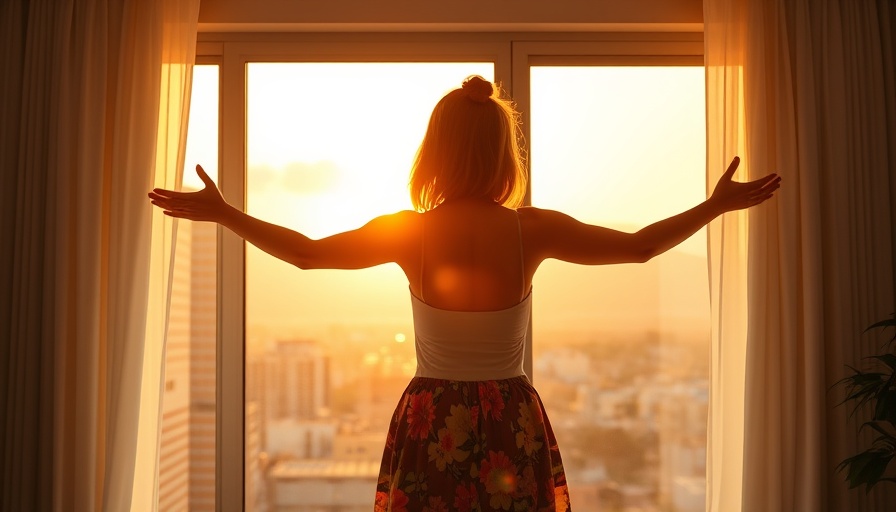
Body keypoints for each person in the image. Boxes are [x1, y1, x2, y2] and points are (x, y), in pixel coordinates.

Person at [148, 75, 780, 511]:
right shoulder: (531, 230)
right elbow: (640, 246)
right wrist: (714, 206)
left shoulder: (411, 233)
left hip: (431, 422)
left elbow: (308, 254)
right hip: (512, 419)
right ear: (504, 153)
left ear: (437, 152)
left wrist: (226, 213)